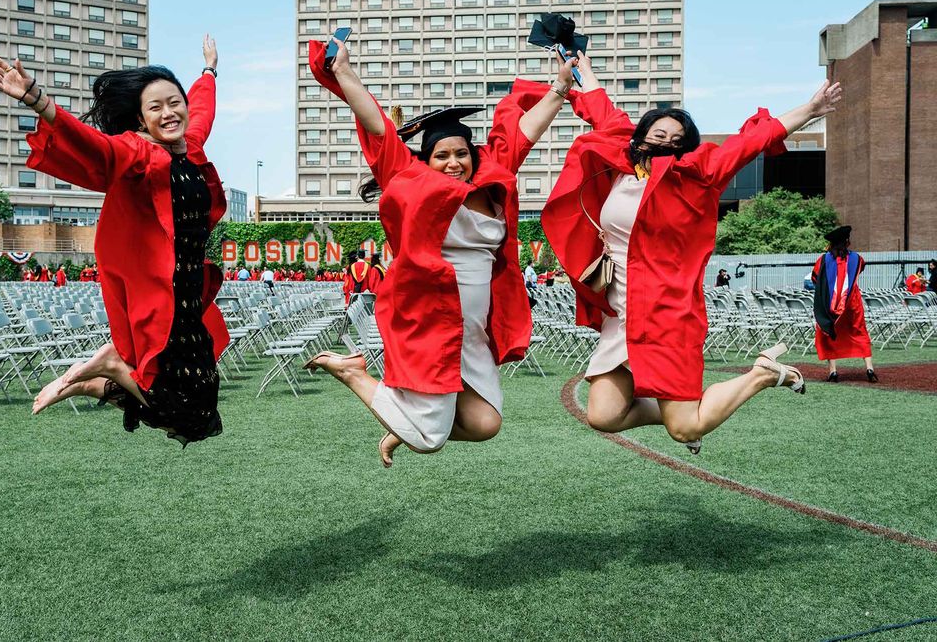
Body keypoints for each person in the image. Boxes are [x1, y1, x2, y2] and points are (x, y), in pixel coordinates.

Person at [303, 34, 582, 467]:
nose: (453, 162)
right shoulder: (411, 179)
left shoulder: (490, 179)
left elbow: (524, 133)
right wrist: (343, 72)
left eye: (460, 153)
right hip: (433, 321)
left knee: (486, 422)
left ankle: (405, 420)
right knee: (429, 440)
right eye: (441, 155)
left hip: (473, 329)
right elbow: (377, 126)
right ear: (425, 160)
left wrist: (561, 88)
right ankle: (353, 372)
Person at [543, 72, 843, 454]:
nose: (666, 143)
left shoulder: (700, 173)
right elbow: (604, 112)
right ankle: (685, 409)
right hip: (621, 315)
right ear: (641, 137)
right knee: (603, 414)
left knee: (685, 431)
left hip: (667, 316)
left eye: (677, 140)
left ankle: (761, 375)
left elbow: (753, 141)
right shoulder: (621, 162)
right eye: (658, 135)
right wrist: (581, 70)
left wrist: (811, 110)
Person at [0, 36, 231, 446]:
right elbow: (92, 145)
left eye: (175, 102)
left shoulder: (193, 145)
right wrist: (36, 99)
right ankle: (113, 365)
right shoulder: (136, 151)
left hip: (188, 293)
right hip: (158, 291)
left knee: (201, 409)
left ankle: (97, 378)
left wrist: (210, 70)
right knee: (187, 418)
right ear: (139, 119)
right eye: (156, 107)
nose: (170, 112)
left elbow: (204, 106)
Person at [812, 226, 877, 383]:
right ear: (847, 242)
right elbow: (859, 271)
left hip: (830, 304)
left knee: (829, 333)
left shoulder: (823, 259)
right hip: (852, 303)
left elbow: (816, 279)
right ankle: (869, 368)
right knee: (859, 332)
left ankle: (833, 372)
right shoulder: (857, 258)